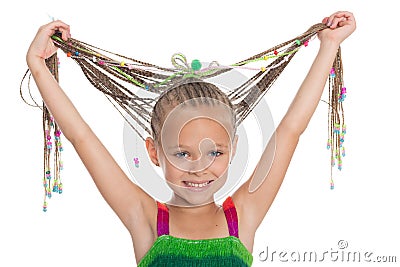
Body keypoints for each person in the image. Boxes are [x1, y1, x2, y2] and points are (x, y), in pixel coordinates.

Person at [26, 11, 356, 266]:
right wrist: (39, 66)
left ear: (234, 149)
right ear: (154, 152)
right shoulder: (146, 217)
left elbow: (290, 130)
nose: (199, 168)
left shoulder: (243, 214)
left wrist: (329, 45)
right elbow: (81, 136)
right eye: (182, 154)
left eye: (214, 152)